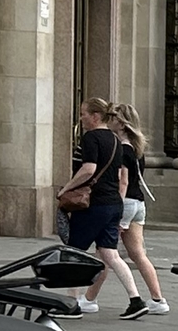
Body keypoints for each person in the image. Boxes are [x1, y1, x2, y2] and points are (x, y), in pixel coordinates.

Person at [58, 95, 144, 315]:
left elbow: (89, 169)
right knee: (110, 254)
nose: (81, 118)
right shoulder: (117, 140)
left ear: (95, 116)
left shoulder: (91, 138)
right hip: (114, 203)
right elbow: (117, 175)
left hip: (93, 204)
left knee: (74, 252)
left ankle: (72, 305)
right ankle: (136, 300)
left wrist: (66, 188)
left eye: (83, 114)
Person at [83, 104, 172, 315]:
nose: (109, 119)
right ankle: (158, 299)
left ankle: (89, 299)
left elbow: (122, 181)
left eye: (113, 116)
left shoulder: (122, 148)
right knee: (137, 254)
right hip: (138, 204)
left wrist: (117, 208)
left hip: (125, 203)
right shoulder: (136, 147)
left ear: (121, 123)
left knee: (106, 253)